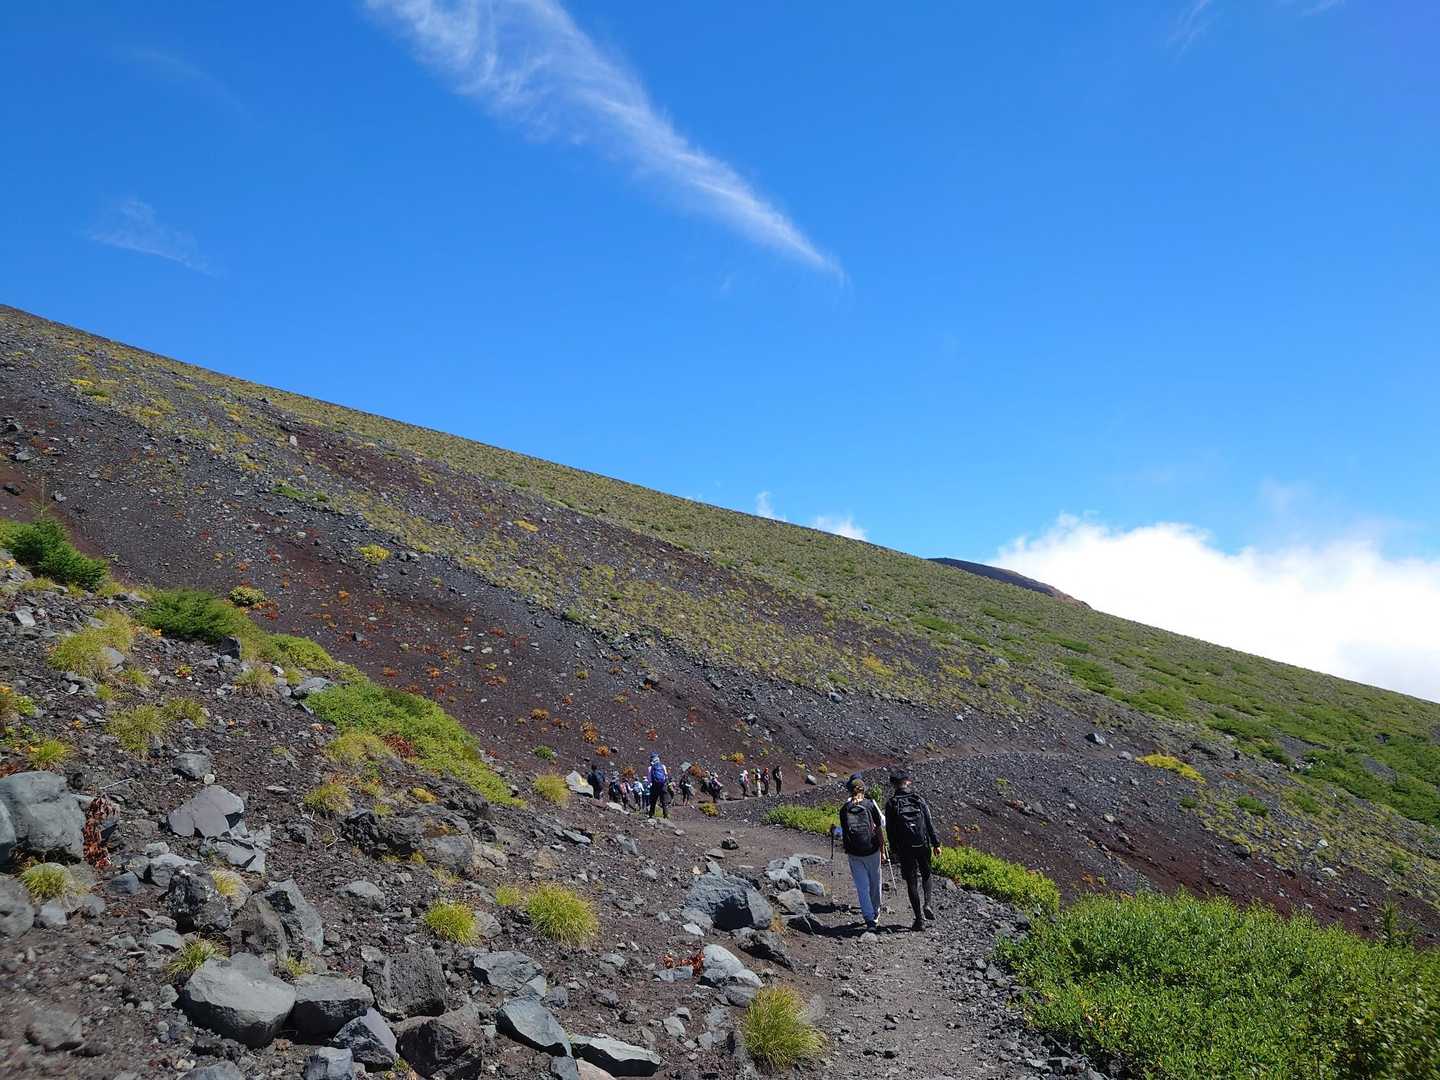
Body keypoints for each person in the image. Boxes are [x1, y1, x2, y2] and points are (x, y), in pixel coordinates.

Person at [884, 769, 941, 932]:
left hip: (905, 848)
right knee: (927, 874)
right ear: (907, 782)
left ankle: (919, 920)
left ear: (894, 785)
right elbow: (928, 822)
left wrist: (894, 849)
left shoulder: (891, 803)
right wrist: (936, 844)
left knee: (911, 881)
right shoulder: (918, 799)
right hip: (922, 844)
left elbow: (890, 830)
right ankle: (927, 904)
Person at [838, 774, 885, 931]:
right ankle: (876, 912)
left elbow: (844, 831)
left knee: (862, 887)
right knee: (875, 883)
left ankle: (869, 918)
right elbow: (879, 829)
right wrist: (882, 850)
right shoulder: (870, 805)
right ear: (863, 790)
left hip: (854, 853)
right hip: (872, 850)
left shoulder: (844, 809)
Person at [647, 753, 671, 819]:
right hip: (663, 786)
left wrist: (649, 785)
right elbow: (666, 776)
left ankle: (651, 815)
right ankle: (666, 815)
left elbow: (649, 779)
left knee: (653, 801)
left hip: (654, 786)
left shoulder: (650, 768)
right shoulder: (663, 766)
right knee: (664, 801)